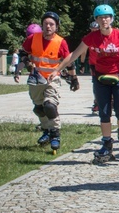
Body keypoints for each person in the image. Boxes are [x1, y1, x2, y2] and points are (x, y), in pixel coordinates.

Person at [51, 4, 119, 164]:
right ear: (97, 20)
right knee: (104, 112)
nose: (104, 20)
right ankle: (106, 142)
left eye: (107, 17)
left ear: (111, 18)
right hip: (100, 79)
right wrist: (57, 69)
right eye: (100, 17)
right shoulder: (92, 37)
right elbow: (74, 54)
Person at [15, 11, 77, 153]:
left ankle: (55, 133)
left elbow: (69, 62)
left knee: (49, 105)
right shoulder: (33, 38)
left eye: (51, 24)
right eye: (45, 24)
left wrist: (73, 79)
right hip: (36, 78)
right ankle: (46, 130)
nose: (48, 27)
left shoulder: (61, 42)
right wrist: (27, 63)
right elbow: (23, 54)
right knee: (39, 108)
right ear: (42, 25)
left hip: (52, 78)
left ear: (56, 26)